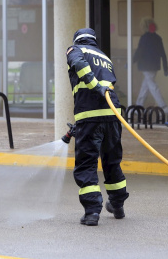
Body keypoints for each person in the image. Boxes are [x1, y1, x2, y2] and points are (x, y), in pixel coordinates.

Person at [66, 28, 129, 226]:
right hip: (111, 116)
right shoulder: (104, 57)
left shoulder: (75, 50)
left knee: (86, 164)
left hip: (90, 115)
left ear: (78, 40)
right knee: (112, 161)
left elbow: (79, 66)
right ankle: (117, 205)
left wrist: (95, 86)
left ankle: (92, 212)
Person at [133, 18, 168, 116]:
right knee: (145, 86)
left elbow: (139, 51)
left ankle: (164, 107)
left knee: (153, 87)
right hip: (154, 66)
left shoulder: (144, 38)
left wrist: (131, 62)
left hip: (146, 66)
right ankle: (138, 106)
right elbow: (163, 54)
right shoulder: (158, 38)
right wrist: (165, 68)